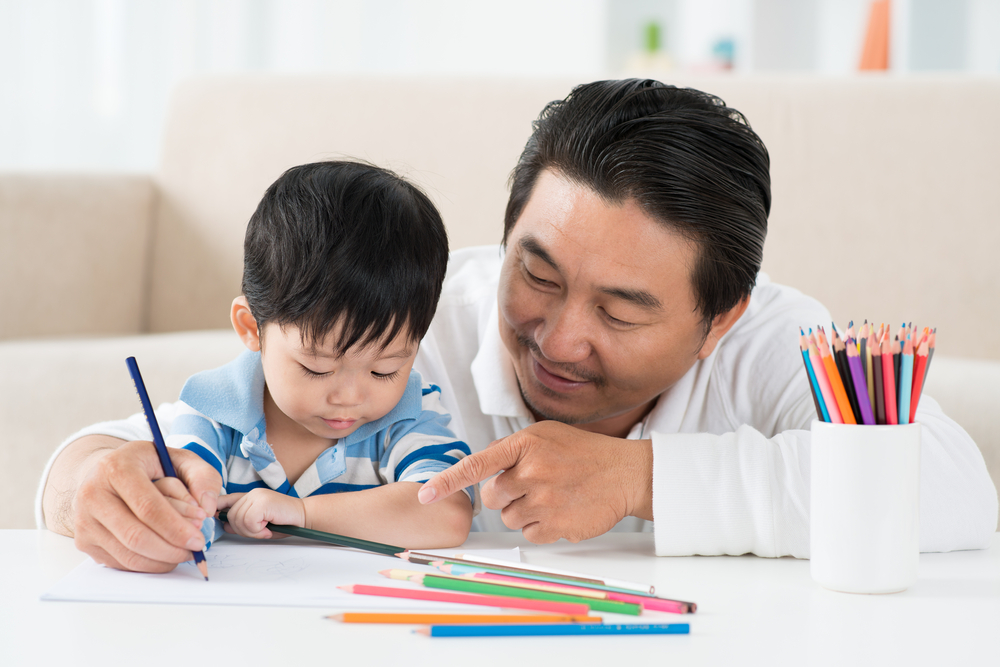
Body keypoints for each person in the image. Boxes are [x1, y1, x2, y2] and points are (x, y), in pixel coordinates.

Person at [39, 80, 997, 572]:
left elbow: (953, 491)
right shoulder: (416, 323)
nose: (559, 336)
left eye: (623, 310)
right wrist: (92, 479)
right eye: (536, 274)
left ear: (721, 318)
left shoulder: (776, 339)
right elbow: (180, 433)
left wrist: (640, 480)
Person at [54, 160, 479, 569]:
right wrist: (175, 519)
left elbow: (447, 512)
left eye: (385, 369)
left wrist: (303, 513)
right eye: (316, 367)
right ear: (251, 327)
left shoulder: (410, 414)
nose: (350, 396)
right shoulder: (214, 412)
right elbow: (182, 507)